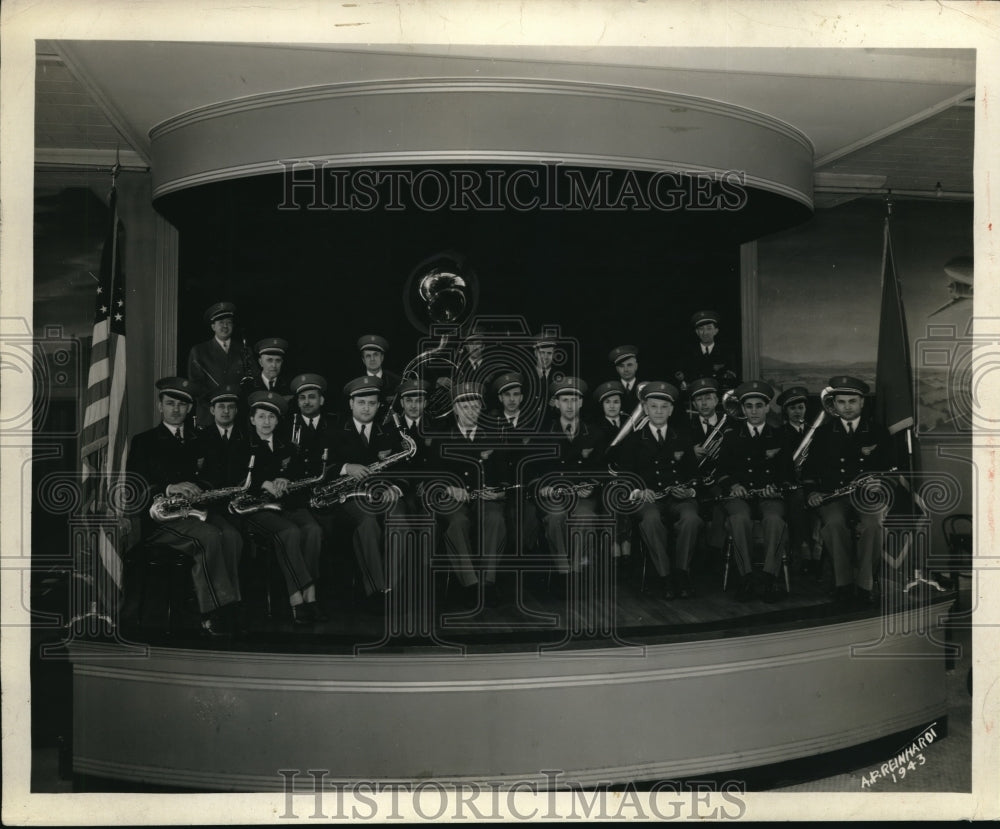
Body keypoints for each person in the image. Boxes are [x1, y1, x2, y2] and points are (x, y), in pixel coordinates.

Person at [126, 377, 243, 636]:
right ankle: (210, 614)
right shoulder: (143, 441)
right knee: (210, 536)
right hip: (161, 520)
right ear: (160, 407)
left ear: (190, 409)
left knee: (233, 536)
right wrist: (169, 488)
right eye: (170, 404)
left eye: (182, 405)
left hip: (194, 511)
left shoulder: (199, 439)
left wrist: (198, 484)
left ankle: (230, 606)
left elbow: (212, 476)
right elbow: (134, 485)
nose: (176, 409)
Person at [802, 375, 896, 605]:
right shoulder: (823, 434)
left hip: (868, 495)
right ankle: (842, 584)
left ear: (862, 402)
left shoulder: (877, 431)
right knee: (834, 524)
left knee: (873, 525)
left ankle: (864, 585)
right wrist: (812, 493)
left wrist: (881, 483)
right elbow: (809, 472)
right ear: (834, 405)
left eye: (852, 401)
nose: (847, 406)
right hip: (833, 496)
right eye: (841, 402)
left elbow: (892, 468)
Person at [238, 390, 327, 625]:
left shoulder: (288, 446)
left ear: (277, 421)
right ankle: (299, 599)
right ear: (252, 419)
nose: (266, 422)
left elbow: (298, 476)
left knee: (314, 530)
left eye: (271, 417)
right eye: (261, 417)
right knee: (290, 532)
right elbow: (234, 479)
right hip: (256, 509)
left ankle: (309, 594)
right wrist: (262, 483)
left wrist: (286, 479)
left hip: (287, 505)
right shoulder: (241, 445)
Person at [616, 381, 702, 599]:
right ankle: (665, 577)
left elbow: (694, 474)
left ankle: (682, 573)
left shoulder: (682, 436)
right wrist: (639, 491)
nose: (659, 411)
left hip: (678, 498)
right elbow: (625, 476)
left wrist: (690, 491)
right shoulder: (633, 439)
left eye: (664, 407)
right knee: (651, 519)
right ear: (645, 408)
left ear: (671, 410)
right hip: (648, 499)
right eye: (654, 406)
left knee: (691, 518)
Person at [326, 376, 406, 608]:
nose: (367, 407)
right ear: (351, 404)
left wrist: (396, 486)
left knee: (401, 522)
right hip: (350, 497)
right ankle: (376, 591)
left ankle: (393, 588)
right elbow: (318, 470)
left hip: (385, 493)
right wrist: (345, 468)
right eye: (361, 402)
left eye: (372, 403)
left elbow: (403, 468)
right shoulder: (334, 431)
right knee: (368, 523)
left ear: (379, 405)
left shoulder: (390, 431)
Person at [427, 381, 508, 608]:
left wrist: (499, 493)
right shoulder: (442, 439)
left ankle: (488, 583)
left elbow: (505, 476)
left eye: (475, 406)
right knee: (458, 521)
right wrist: (449, 487)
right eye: (464, 407)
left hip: (485, 500)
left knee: (495, 518)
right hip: (453, 501)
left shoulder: (493, 437)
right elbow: (431, 477)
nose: (470, 411)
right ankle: (470, 584)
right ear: (454, 409)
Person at [715, 380, 795, 602]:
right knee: (739, 519)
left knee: (774, 520)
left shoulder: (780, 435)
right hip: (739, 496)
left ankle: (770, 577)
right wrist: (733, 485)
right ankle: (746, 577)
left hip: (769, 495)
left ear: (768, 407)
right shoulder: (731, 435)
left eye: (759, 405)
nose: (754, 411)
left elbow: (788, 473)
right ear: (742, 409)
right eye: (748, 406)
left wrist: (776, 487)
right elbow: (721, 471)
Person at [532, 377, 604, 586]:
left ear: (581, 403)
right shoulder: (542, 434)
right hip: (554, 494)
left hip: (582, 496)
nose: (570, 405)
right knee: (555, 517)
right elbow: (531, 469)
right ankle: (563, 573)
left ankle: (576, 572)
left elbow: (602, 470)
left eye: (574, 400)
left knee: (585, 516)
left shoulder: (595, 434)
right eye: (565, 400)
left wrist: (591, 484)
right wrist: (541, 485)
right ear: (556, 403)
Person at [490, 372, 540, 558]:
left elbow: (538, 458)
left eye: (516, 394)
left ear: (522, 397)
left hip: (527, 485)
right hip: (501, 485)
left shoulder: (534, 422)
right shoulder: (491, 423)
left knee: (531, 516)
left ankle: (524, 559)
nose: (512, 399)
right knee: (503, 517)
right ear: (500, 398)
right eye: (507, 395)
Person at [776, 385, 817, 575]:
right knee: (799, 501)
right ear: (785, 411)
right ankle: (804, 551)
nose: (797, 411)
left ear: (806, 408)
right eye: (792, 408)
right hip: (789, 486)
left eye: (800, 407)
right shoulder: (778, 433)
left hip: (814, 485)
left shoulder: (816, 432)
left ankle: (815, 551)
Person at [186, 301, 246, 426]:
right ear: (213, 326)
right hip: (209, 416)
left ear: (233, 325)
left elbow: (251, 382)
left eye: (229, 322)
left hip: (237, 416)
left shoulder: (244, 350)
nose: (225, 326)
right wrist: (217, 406)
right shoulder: (199, 351)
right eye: (221, 323)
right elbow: (196, 387)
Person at [591, 379, 631, 564]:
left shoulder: (630, 424)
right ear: (602, 406)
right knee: (614, 491)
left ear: (621, 404)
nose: (612, 406)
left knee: (623, 489)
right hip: (604, 479)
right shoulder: (594, 427)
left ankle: (622, 544)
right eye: (608, 402)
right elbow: (596, 461)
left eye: (616, 401)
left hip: (628, 477)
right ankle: (619, 545)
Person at [674, 310, 738, 393]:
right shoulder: (686, 353)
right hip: (694, 396)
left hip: (718, 396)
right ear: (697, 332)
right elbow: (681, 379)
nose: (705, 333)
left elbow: (731, 379)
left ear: (716, 331)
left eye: (709, 328)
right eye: (701, 329)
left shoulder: (727, 353)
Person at [357, 334, 402, 401]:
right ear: (363, 360)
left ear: (382, 357)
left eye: (375, 355)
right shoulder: (357, 383)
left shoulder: (396, 381)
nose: (372, 359)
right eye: (368, 356)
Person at [607, 345, 642, 415]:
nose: (626, 370)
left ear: (636, 366)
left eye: (629, 365)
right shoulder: (609, 389)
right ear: (617, 369)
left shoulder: (644, 388)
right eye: (621, 366)